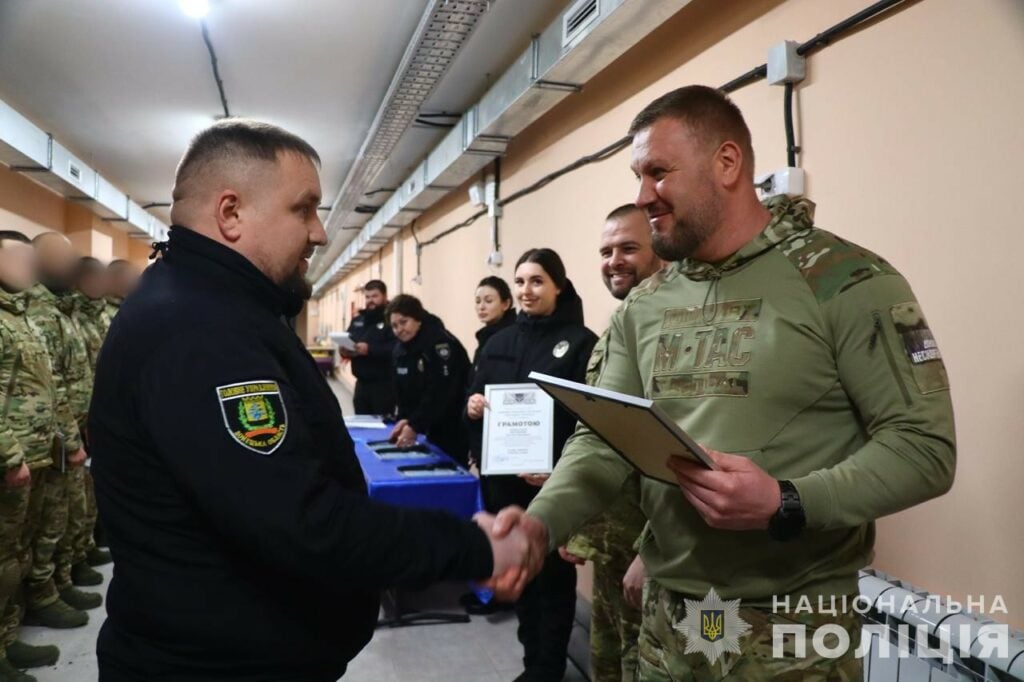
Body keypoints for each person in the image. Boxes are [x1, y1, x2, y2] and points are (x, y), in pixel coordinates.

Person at [489, 85, 956, 680]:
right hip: (670, 624)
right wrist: (541, 521)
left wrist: (786, 500)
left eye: (659, 172)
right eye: (638, 175)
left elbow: (925, 448)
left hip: (797, 633)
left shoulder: (846, 281)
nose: (643, 196)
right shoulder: (646, 305)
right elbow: (604, 440)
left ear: (727, 163)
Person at [89, 118, 534, 681]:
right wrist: (471, 547)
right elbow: (300, 520)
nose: (319, 232)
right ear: (231, 214)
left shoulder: (213, 307)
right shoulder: (199, 328)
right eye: (303, 209)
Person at [466, 248, 598, 682]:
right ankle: (531, 664)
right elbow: (472, 400)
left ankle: (548, 669)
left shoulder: (581, 343)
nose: (526, 290)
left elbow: (590, 423)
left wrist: (559, 470)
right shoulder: (497, 342)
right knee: (521, 577)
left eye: (537, 281)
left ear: (558, 286)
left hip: (553, 487)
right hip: (506, 485)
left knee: (554, 585)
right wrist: (473, 407)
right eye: (520, 281)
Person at [560, 204, 662, 682]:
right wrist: (578, 522)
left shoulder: (676, 332)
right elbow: (604, 435)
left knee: (643, 665)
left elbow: (693, 452)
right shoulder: (619, 329)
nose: (614, 260)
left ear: (659, 249)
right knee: (609, 664)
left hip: (652, 551)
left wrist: (655, 550)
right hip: (612, 547)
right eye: (606, 251)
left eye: (628, 248)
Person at [0, 231, 70, 682]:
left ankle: (7, 640)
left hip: (37, 453)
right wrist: (9, 458)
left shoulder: (22, 316)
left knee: (15, 555)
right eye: (18, 259)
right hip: (12, 459)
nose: (29, 268)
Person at [24, 233, 96, 628]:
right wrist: (69, 438)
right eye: (59, 257)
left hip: (69, 432)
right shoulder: (37, 314)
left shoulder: (61, 310)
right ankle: (41, 592)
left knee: (63, 514)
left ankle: (57, 580)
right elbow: (54, 385)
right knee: (42, 526)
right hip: (44, 440)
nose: (70, 265)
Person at [68, 258, 113, 576]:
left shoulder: (100, 314)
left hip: (91, 415)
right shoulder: (71, 316)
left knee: (85, 492)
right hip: (62, 425)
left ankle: (82, 549)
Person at [386, 294, 470, 462]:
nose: (399, 329)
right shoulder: (400, 350)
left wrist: (414, 425)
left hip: (450, 426)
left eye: (404, 322)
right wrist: (404, 418)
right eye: (394, 326)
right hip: (423, 425)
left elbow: (441, 392)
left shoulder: (440, 344)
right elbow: (402, 390)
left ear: (418, 319)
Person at [343, 279, 396, 415]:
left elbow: (396, 348)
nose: (370, 300)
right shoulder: (358, 320)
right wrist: (344, 350)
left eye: (375, 296)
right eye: (367, 297)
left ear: (384, 296)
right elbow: (348, 339)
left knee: (382, 428)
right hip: (361, 385)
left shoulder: (392, 320)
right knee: (361, 426)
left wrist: (370, 350)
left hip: (384, 386)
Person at [471, 275, 515, 369]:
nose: (481, 307)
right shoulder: (484, 336)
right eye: (478, 301)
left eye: (488, 301)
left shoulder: (512, 336)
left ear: (506, 304)